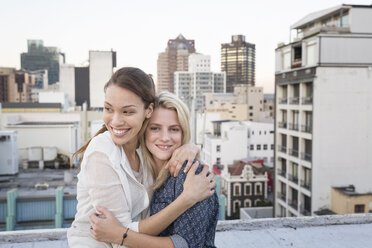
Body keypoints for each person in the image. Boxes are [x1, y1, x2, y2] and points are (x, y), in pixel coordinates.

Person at [67, 67, 215, 248]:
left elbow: (121, 233)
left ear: (147, 111)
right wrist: (186, 199)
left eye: (127, 111)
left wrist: (191, 147)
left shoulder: (145, 151)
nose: (115, 121)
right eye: (108, 109)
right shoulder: (102, 152)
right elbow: (119, 235)